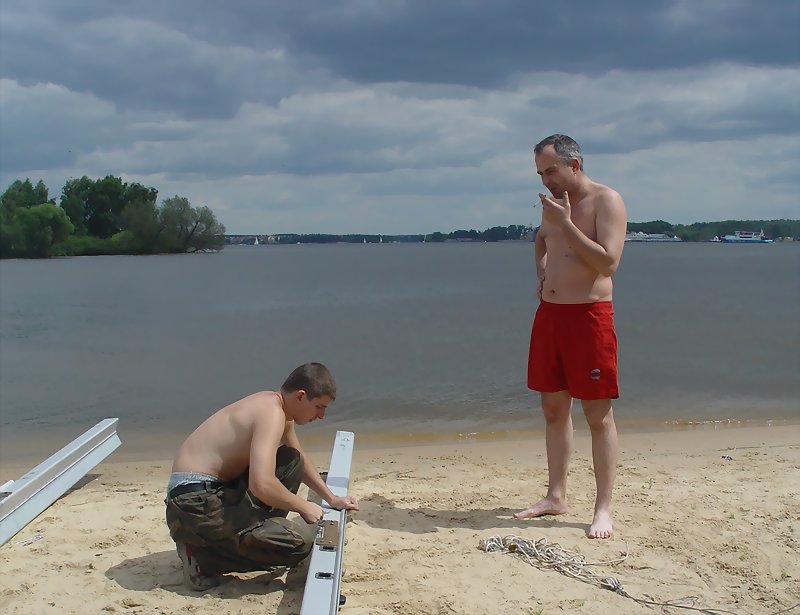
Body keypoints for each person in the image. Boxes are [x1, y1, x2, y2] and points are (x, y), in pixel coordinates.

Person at [515, 134, 627, 539]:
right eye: (541, 172)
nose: (545, 179)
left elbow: (608, 262)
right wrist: (541, 271)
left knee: (597, 415)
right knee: (553, 409)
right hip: (551, 315)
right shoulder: (553, 205)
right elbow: (543, 239)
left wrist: (565, 223)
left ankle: (602, 509)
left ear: (574, 164)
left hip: (589, 317)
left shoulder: (605, 200)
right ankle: (555, 495)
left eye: (551, 170)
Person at [164, 362, 360, 590]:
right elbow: (262, 485)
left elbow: (299, 459)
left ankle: (240, 537)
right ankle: (203, 559)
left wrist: (332, 498)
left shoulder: (277, 407)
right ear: (300, 396)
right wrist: (304, 507)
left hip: (202, 494)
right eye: (319, 407)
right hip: (194, 503)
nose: (322, 416)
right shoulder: (272, 413)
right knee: (301, 544)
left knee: (290, 461)